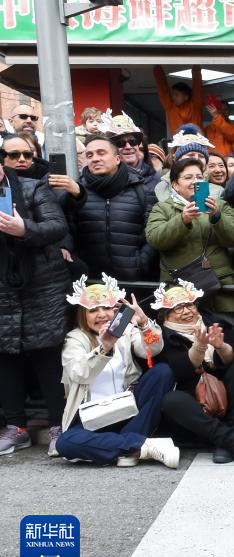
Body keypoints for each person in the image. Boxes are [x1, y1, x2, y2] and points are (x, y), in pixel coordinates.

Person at [57, 275, 178, 467]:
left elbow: (152, 349)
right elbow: (78, 373)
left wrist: (144, 322)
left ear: (115, 310)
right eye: (93, 310)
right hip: (92, 419)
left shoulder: (126, 330)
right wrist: (104, 347)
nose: (101, 314)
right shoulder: (75, 338)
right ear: (83, 315)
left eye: (106, 308)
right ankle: (141, 446)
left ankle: (125, 446)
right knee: (65, 443)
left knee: (162, 372)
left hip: (128, 411)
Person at [0, 157, 71, 457]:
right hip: (3, 288)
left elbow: (57, 227)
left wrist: (23, 228)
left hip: (43, 284)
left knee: (47, 355)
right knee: (6, 356)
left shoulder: (32, 187)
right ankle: (16, 427)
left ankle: (58, 425)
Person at [152, 281, 234, 466]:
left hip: (227, 401)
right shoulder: (161, 338)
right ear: (165, 315)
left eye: (189, 305)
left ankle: (232, 429)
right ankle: (232, 438)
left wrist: (221, 347)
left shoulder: (215, 323)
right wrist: (199, 348)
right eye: (178, 308)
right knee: (172, 400)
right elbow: (179, 370)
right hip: (196, 405)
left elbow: (233, 361)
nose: (187, 311)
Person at [49, 133, 156, 282]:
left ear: (117, 159)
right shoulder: (77, 192)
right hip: (90, 282)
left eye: (101, 153)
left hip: (134, 281)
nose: (95, 159)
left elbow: (153, 233)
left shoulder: (141, 190)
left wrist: (141, 263)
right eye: (90, 155)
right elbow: (65, 229)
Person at [145, 157, 234, 315]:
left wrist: (216, 216)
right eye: (188, 177)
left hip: (219, 287)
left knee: (224, 329)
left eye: (199, 177)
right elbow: (155, 239)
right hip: (179, 289)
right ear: (175, 185)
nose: (195, 181)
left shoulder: (219, 205)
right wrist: (182, 219)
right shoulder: (162, 208)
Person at [107, 113, 159, 197]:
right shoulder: (106, 179)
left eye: (133, 142)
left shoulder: (155, 178)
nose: (128, 147)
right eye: (120, 143)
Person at [154, 65, 204, 136]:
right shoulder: (170, 107)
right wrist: (157, 67)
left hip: (196, 142)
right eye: (173, 94)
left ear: (186, 97)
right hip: (179, 142)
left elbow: (197, 86)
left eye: (176, 95)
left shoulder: (195, 105)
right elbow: (162, 87)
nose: (173, 97)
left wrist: (196, 69)